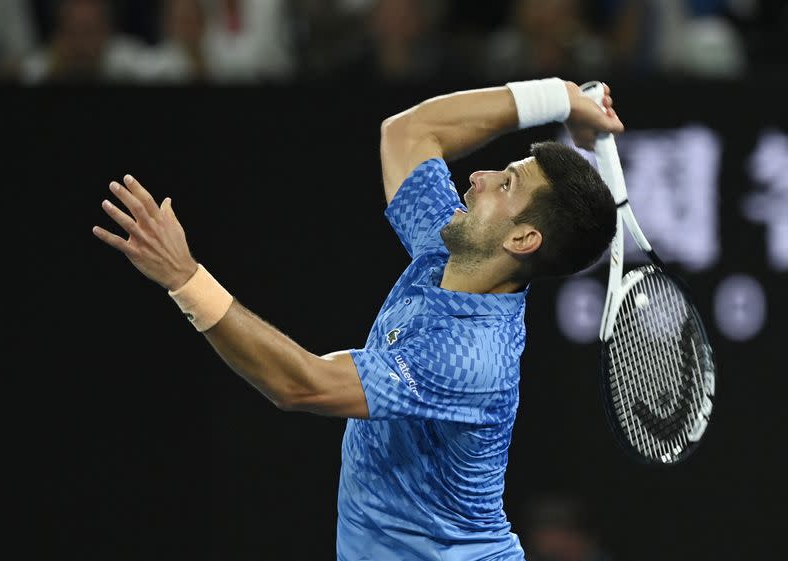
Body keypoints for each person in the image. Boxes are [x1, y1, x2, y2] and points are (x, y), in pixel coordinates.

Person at [92, 77, 624, 560]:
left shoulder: (469, 356)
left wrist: (184, 277)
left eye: (506, 185)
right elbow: (409, 133)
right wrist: (557, 97)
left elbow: (299, 384)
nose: (479, 177)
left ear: (523, 239)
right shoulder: (449, 248)